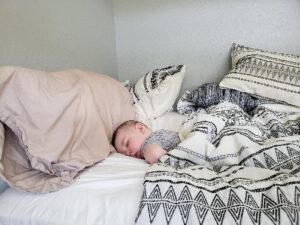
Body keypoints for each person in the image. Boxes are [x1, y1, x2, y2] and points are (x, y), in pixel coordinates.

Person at [112, 120, 180, 164]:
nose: (128, 153)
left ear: (140, 129)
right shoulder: (159, 135)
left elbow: (153, 152)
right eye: (125, 154)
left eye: (127, 144)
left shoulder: (148, 144)